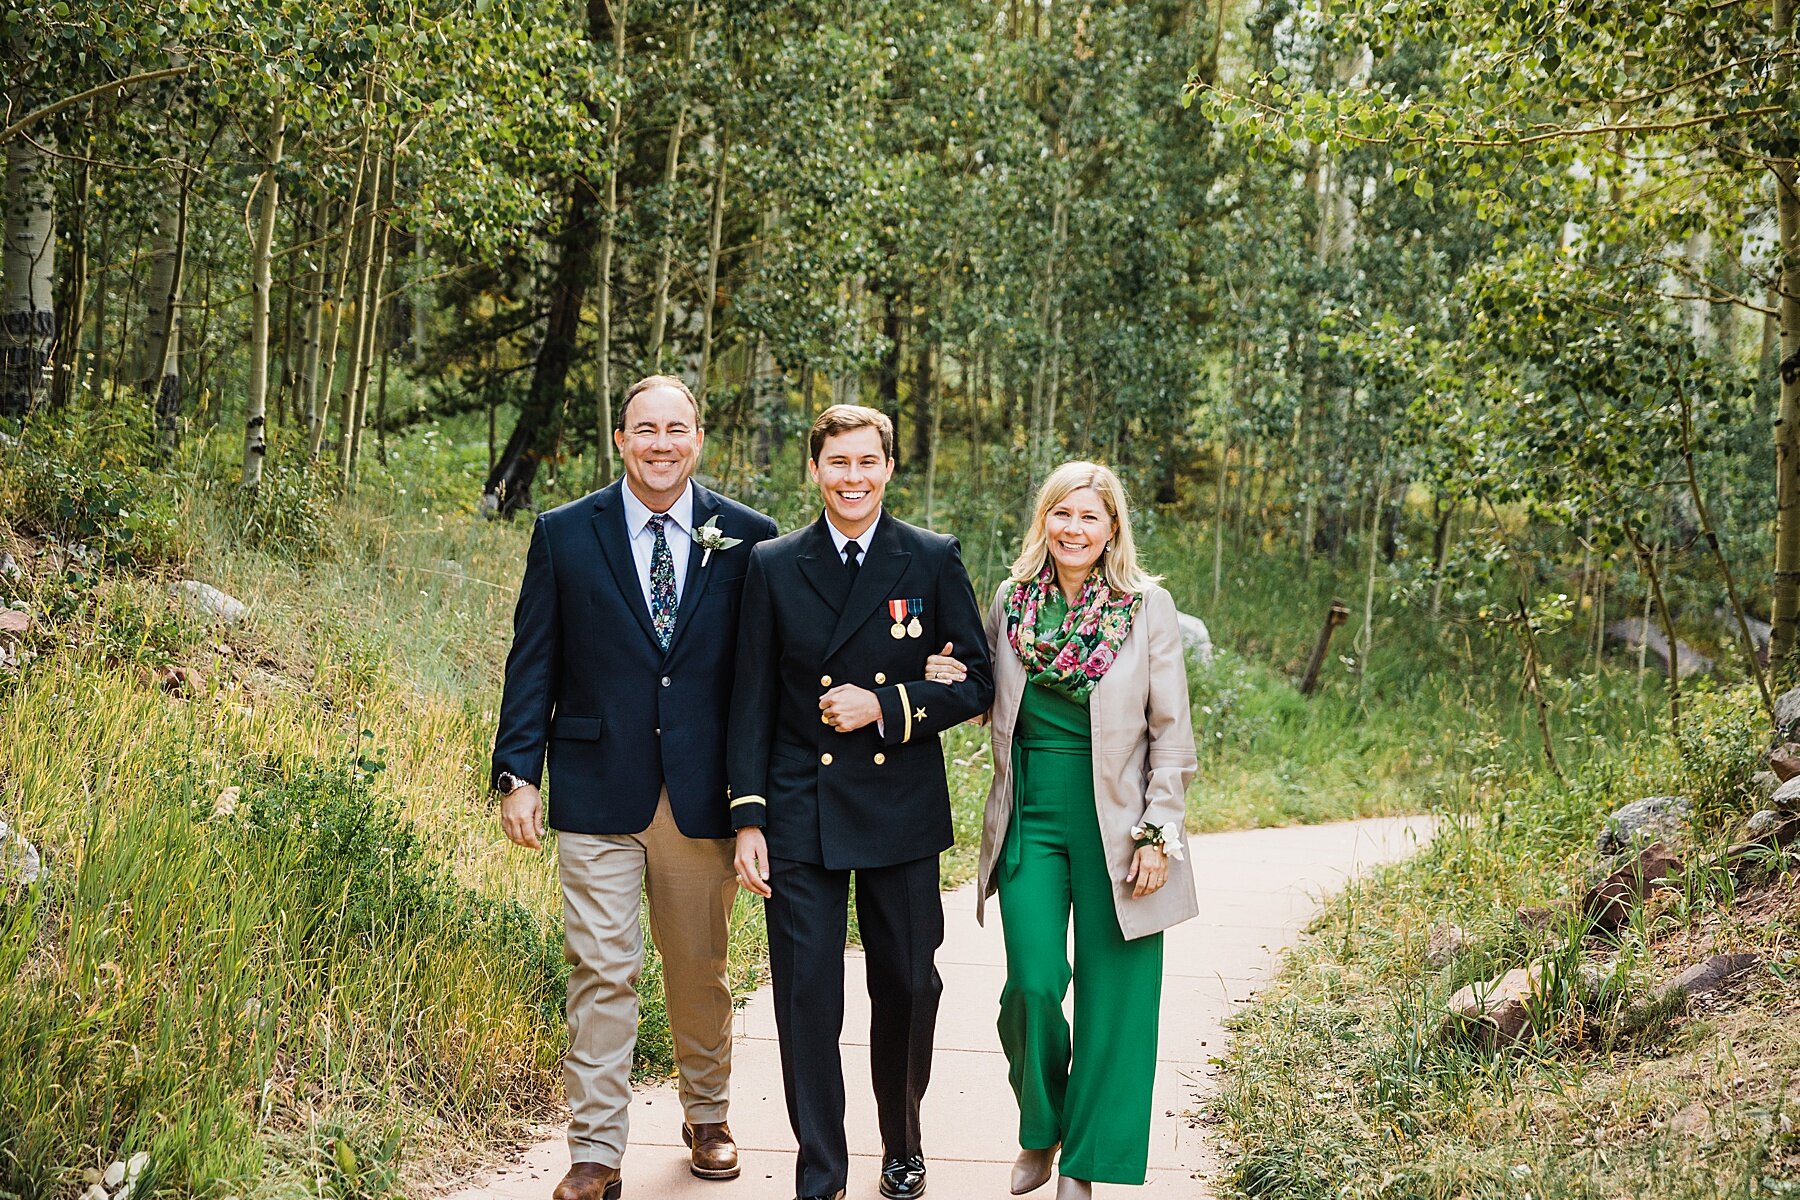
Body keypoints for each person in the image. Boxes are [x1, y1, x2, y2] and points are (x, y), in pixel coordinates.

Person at [491, 374, 779, 1200]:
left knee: (698, 968)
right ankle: (594, 1153)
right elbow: (532, 661)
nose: (660, 444)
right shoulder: (563, 533)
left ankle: (709, 1114)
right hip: (595, 789)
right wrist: (519, 773)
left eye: (675, 429)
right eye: (644, 429)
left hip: (703, 797)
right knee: (601, 972)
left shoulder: (748, 537)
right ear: (620, 439)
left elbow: (765, 675)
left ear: (699, 439)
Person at [727, 404, 995, 1200]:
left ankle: (903, 1144)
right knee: (807, 992)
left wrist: (891, 705)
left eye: (866, 463)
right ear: (814, 470)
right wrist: (747, 816)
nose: (852, 478)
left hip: (898, 803)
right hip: (800, 801)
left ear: (888, 469)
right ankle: (821, 1167)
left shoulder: (932, 558)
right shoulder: (772, 564)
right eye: (837, 463)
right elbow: (749, 702)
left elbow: (978, 682)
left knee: (911, 983)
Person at [967, 461, 1198, 1199]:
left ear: (1113, 529)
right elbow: (980, 691)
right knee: (1031, 987)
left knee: (1116, 1002)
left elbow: (1172, 733)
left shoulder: (1145, 605)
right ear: (1043, 520)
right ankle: (1041, 1126)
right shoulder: (1010, 601)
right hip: (1029, 812)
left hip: (1122, 827)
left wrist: (1160, 833)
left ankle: (1084, 1165)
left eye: (1089, 518)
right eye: (1061, 515)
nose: (1073, 529)